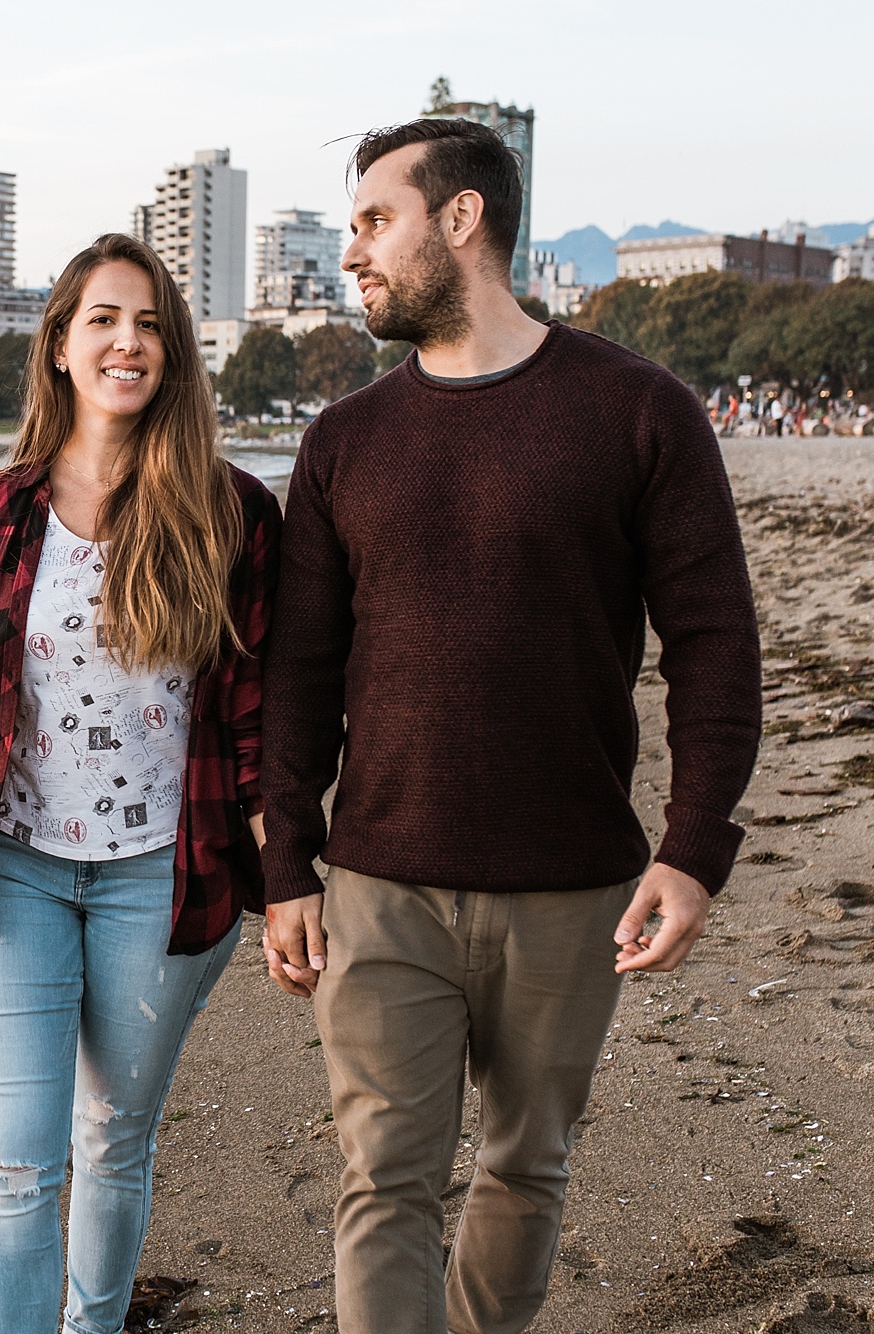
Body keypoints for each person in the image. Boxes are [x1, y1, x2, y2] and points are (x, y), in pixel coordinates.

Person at [258, 118, 761, 1334]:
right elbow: (299, 669)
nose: (352, 255)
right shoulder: (342, 440)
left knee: (524, 1165)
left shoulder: (639, 412)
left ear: (462, 218)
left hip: (569, 882)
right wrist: (284, 861)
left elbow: (710, 641)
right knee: (383, 1178)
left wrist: (692, 847)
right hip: (379, 881)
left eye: (374, 221)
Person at [0, 232, 281, 1334]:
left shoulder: (231, 513)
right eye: (105, 319)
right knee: (15, 1162)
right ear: (61, 344)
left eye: (151, 323)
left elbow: (257, 722)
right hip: (8, 866)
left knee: (113, 1135)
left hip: (161, 878)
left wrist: (292, 883)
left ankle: (93, 1324)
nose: (128, 341)